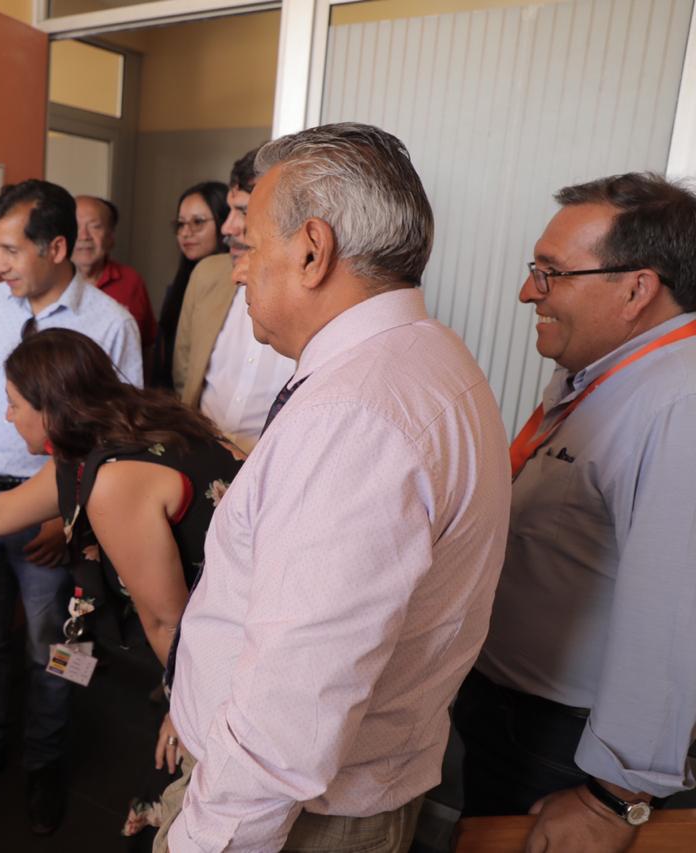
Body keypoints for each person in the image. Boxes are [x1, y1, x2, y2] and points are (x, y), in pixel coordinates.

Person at [156, 123, 511, 853]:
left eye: (250, 246)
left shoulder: (354, 418)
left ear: (313, 251)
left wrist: (202, 839)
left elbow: (290, 706)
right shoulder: (423, 354)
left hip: (293, 817)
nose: (239, 272)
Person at [453, 173, 696, 852]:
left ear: (636, 289)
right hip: (520, 717)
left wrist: (612, 798)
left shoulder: (680, 402)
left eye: (551, 273)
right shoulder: (606, 374)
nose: (529, 291)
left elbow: (675, 614)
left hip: (573, 748)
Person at [0, 179, 142, 835]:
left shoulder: (109, 324)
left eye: (10, 250)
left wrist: (66, 518)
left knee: (53, 648)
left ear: (55, 248)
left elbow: (120, 439)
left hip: (52, 519)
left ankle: (45, 763)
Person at [0, 327, 240, 669]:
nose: (7, 416)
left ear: (51, 410)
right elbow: (2, 511)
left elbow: (166, 623)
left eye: (13, 404)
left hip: (231, 636)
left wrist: (184, 709)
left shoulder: (114, 481)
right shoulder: (114, 432)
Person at [172, 148, 296, 453]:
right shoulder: (207, 274)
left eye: (243, 211)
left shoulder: (315, 302)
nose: (227, 228)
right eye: (230, 211)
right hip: (199, 454)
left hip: (270, 466)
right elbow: (185, 371)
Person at [152, 181, 228, 391]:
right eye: (181, 224)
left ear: (224, 222)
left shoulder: (236, 289)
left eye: (198, 222)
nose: (186, 233)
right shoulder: (177, 286)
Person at [73, 195, 157, 355]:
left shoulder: (132, 282)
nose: (84, 236)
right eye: (75, 226)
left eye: (95, 227)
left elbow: (146, 345)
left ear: (111, 237)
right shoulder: (47, 282)